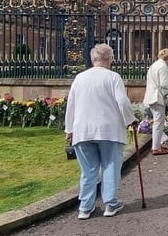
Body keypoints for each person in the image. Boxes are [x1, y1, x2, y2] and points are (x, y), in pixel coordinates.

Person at [65, 44, 138, 219]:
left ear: (93, 59)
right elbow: (122, 101)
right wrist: (131, 119)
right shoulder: (113, 77)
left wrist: (69, 129)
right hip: (109, 130)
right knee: (110, 166)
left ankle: (85, 206)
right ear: (110, 58)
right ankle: (111, 204)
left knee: (88, 170)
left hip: (83, 130)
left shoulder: (80, 78)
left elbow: (71, 105)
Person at [143, 48, 168, 156]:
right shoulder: (163, 67)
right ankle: (156, 148)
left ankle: (157, 145)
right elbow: (164, 83)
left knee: (157, 122)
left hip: (151, 96)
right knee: (158, 123)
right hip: (158, 98)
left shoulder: (154, 65)